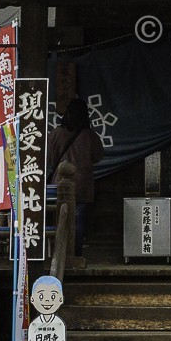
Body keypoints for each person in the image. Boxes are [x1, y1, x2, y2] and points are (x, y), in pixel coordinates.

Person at [55, 97, 102, 256]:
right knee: (78, 219)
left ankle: (60, 252)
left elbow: (47, 158)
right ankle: (76, 253)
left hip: (59, 184)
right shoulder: (90, 136)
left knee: (59, 218)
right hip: (82, 183)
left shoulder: (56, 133)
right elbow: (98, 156)